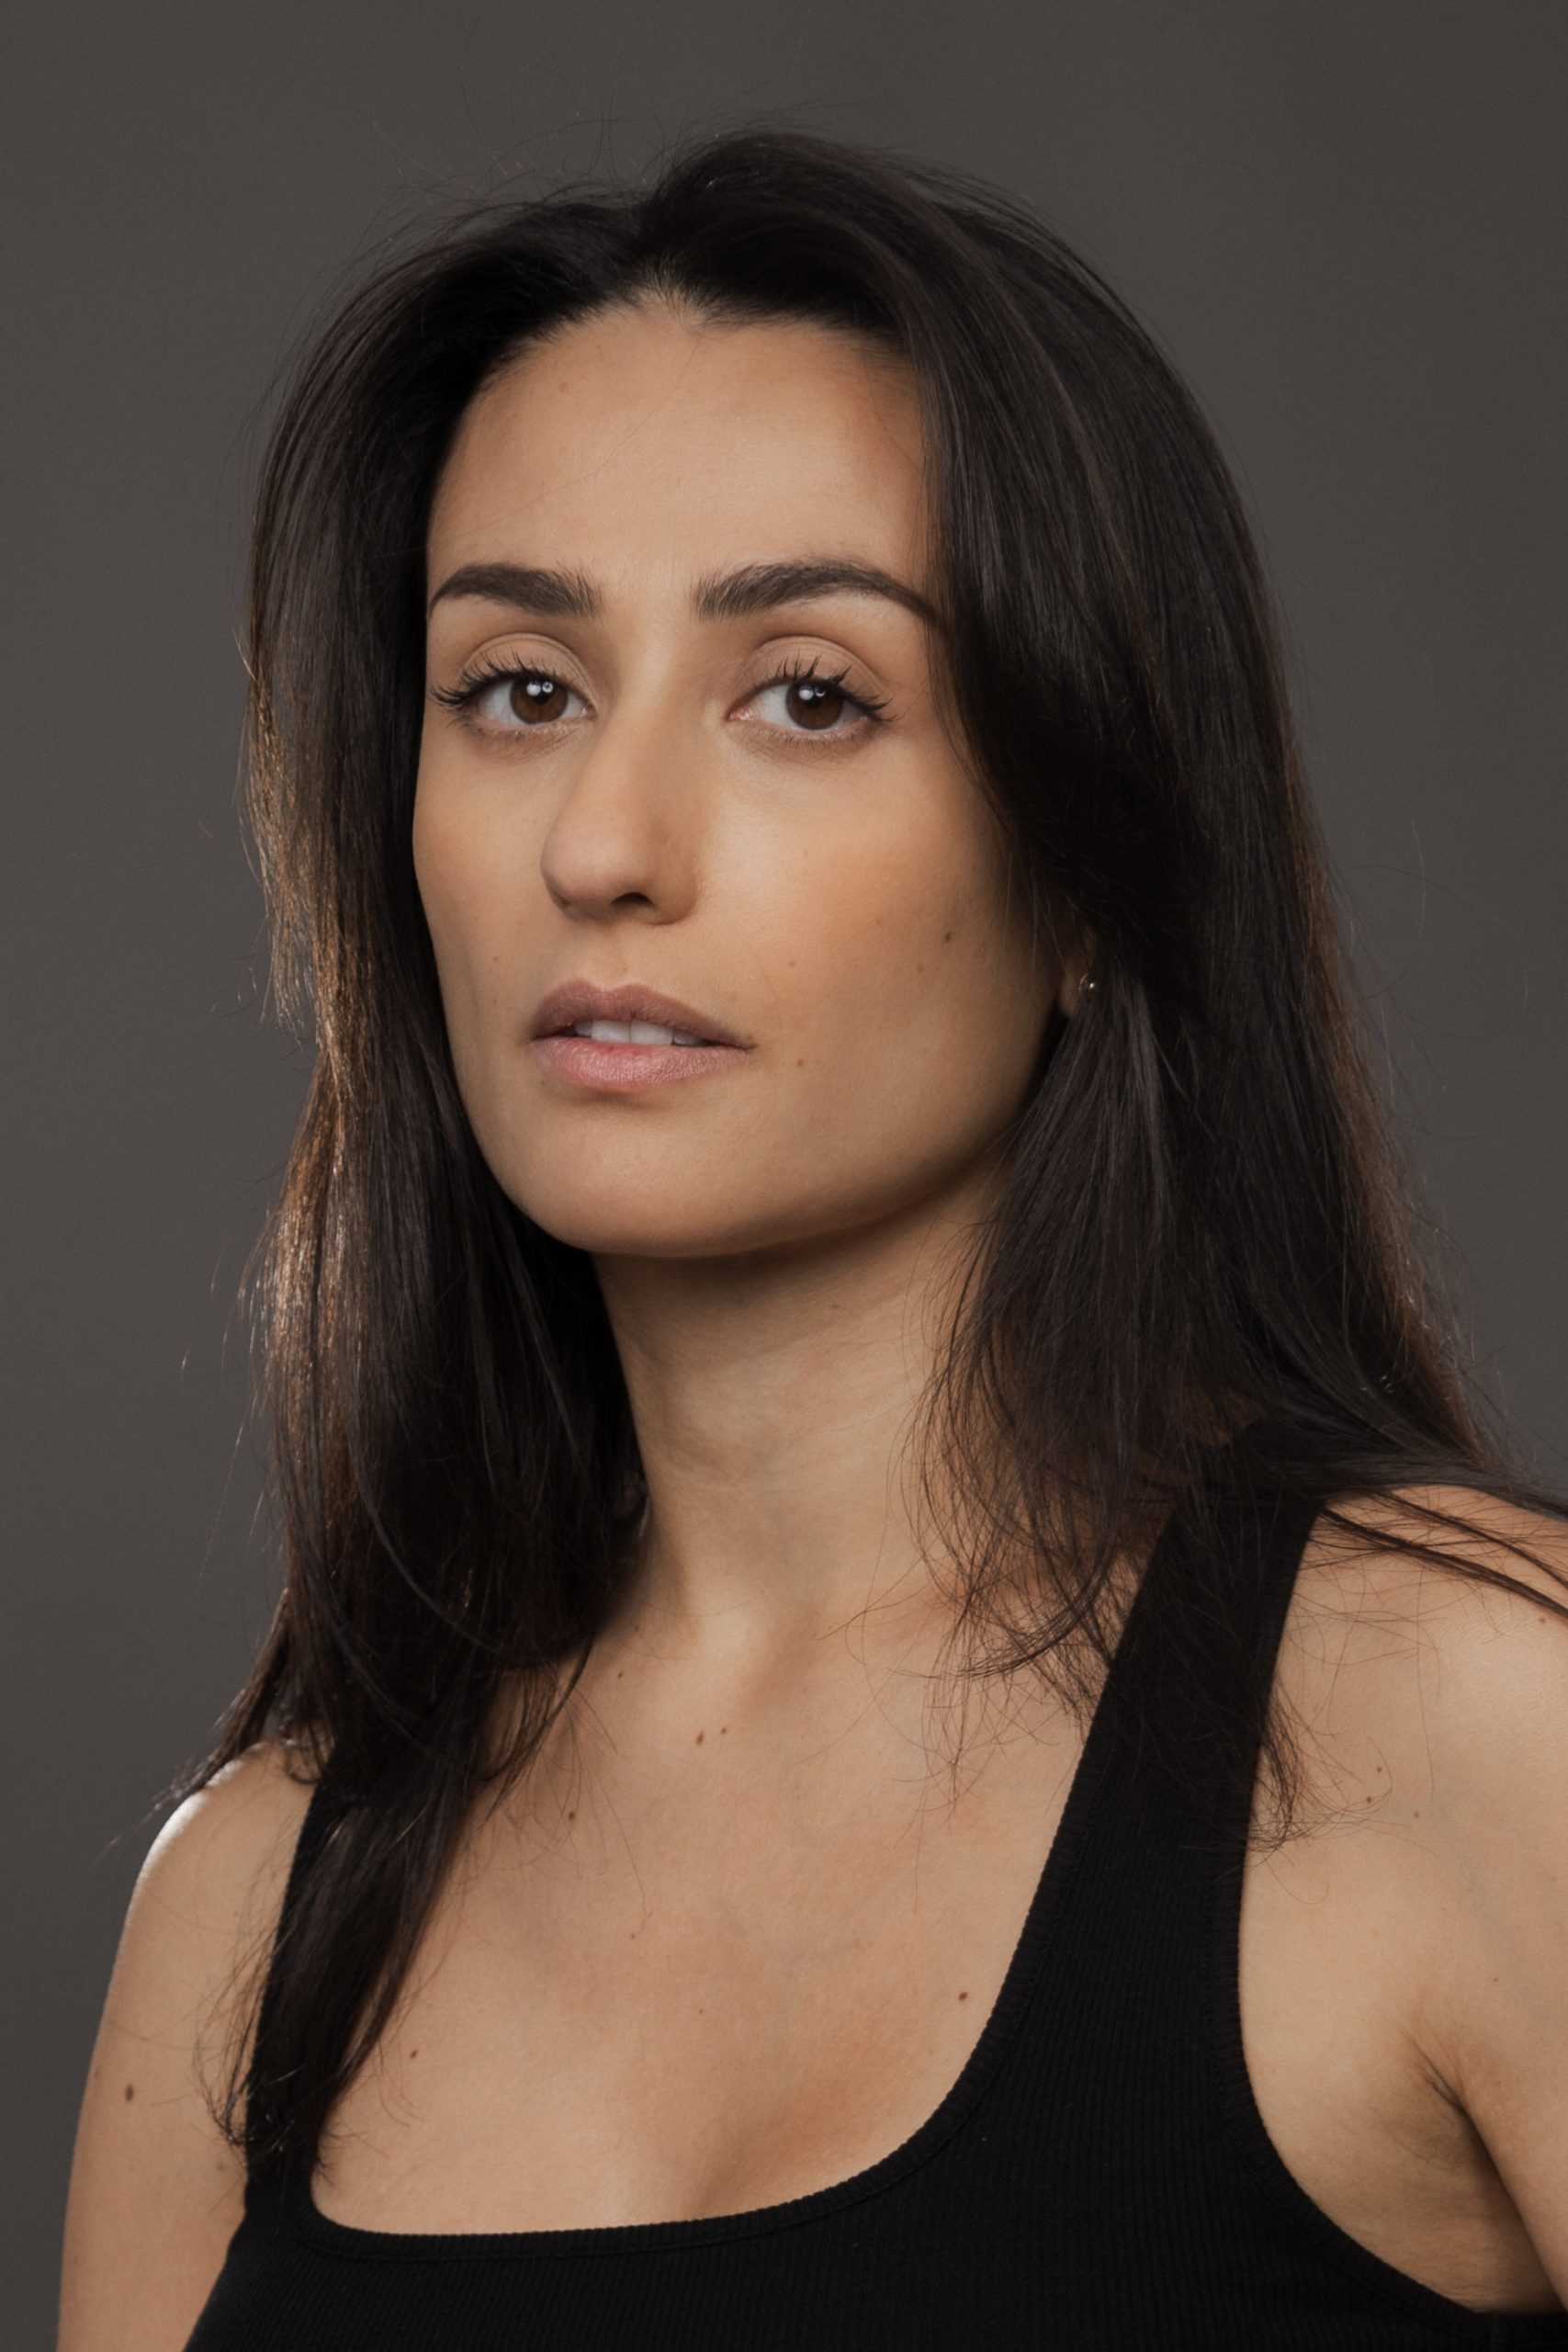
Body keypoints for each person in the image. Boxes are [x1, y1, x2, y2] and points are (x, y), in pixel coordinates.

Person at [59, 126, 1568, 2349]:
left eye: (807, 694)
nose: (603, 842)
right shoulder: (256, 1900)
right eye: (518, 688)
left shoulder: (1477, 1726)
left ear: (1090, 863)